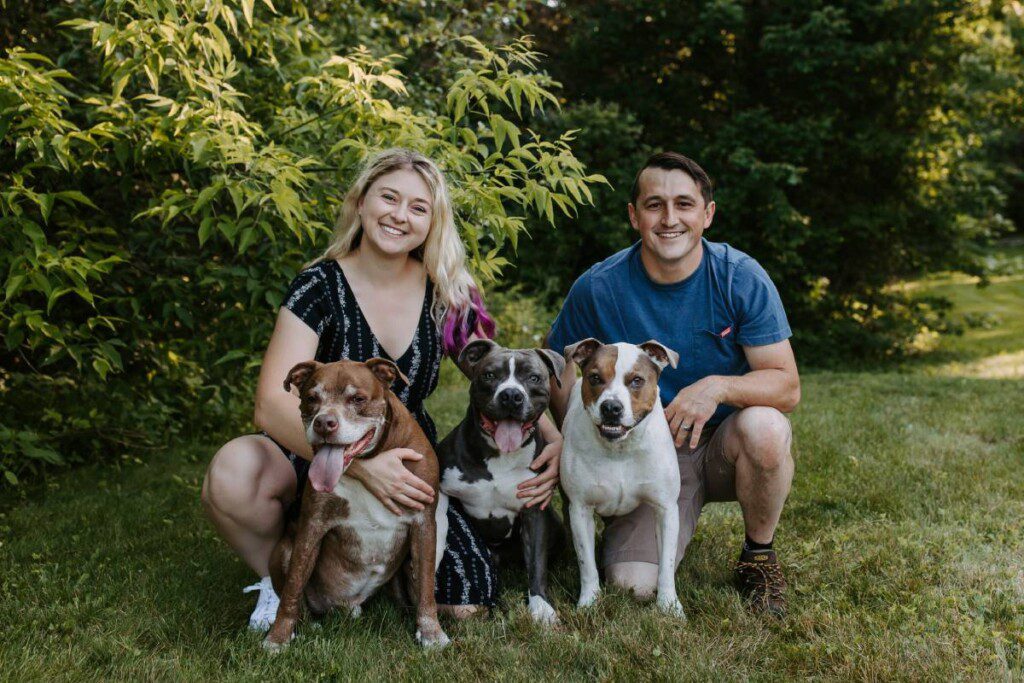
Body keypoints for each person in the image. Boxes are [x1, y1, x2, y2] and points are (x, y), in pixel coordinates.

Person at [201, 148, 562, 630]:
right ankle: (280, 577)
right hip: (317, 445)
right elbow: (270, 404)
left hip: (407, 457)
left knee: (466, 601)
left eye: (418, 207)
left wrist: (556, 445)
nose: (399, 215)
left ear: (433, 223)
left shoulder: (447, 291)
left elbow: (498, 377)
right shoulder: (318, 284)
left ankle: (367, 575)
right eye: (388, 197)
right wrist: (365, 466)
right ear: (360, 201)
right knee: (234, 471)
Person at [546, 151, 800, 617]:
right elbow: (559, 376)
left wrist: (716, 388)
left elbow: (786, 386)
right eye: (654, 204)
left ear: (707, 214)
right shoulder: (597, 287)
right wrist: (569, 443)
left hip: (723, 445)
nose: (669, 219)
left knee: (767, 428)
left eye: (684, 204)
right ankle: (644, 531)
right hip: (640, 451)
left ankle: (758, 557)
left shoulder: (739, 277)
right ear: (633, 215)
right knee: (632, 586)